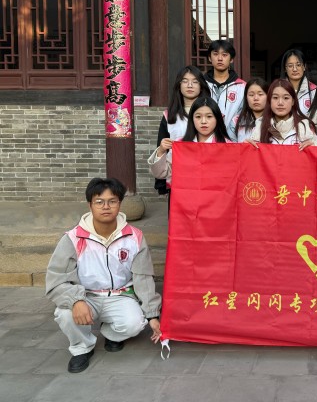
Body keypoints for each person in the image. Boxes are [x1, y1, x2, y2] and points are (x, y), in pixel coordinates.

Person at [45, 178, 162, 374]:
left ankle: (111, 334)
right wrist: (75, 301)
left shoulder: (134, 237)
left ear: (120, 203)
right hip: (86, 297)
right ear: (90, 205)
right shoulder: (73, 238)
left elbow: (143, 277)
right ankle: (82, 348)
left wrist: (152, 315)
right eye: (99, 202)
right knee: (64, 313)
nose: (106, 207)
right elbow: (56, 280)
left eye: (112, 201)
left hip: (121, 296)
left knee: (135, 323)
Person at [154, 66, 211, 195]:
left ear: (201, 86)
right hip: (178, 176)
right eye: (185, 81)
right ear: (178, 86)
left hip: (206, 175)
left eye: (195, 81)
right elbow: (162, 146)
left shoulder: (212, 113)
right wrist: (161, 182)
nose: (190, 85)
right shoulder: (169, 115)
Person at [149, 96, 230, 186]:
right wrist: (161, 151)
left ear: (217, 119)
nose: (203, 121)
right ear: (192, 119)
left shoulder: (229, 146)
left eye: (209, 116)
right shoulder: (181, 144)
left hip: (217, 194)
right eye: (198, 117)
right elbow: (161, 173)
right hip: (185, 194)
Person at [249, 78, 317, 148]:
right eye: (275, 98)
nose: (280, 103)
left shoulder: (304, 126)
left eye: (286, 98)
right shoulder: (260, 126)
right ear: (269, 101)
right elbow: (253, 154)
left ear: (293, 101)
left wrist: (314, 148)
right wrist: (247, 147)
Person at [204, 39, 246, 140]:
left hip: (232, 142)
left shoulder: (242, 87)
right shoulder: (201, 84)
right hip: (205, 142)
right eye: (215, 54)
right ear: (209, 58)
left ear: (231, 59)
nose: (220, 58)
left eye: (224, 55)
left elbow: (244, 116)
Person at [231, 77, 270, 143]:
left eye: (260, 94)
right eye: (251, 95)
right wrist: (243, 146)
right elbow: (229, 146)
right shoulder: (236, 121)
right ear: (246, 97)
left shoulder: (274, 122)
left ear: (268, 96)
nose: (256, 98)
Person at [280, 49, 316, 116]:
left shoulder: (314, 90)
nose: (294, 69)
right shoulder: (278, 89)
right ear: (285, 69)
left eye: (298, 65)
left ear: (304, 67)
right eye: (290, 66)